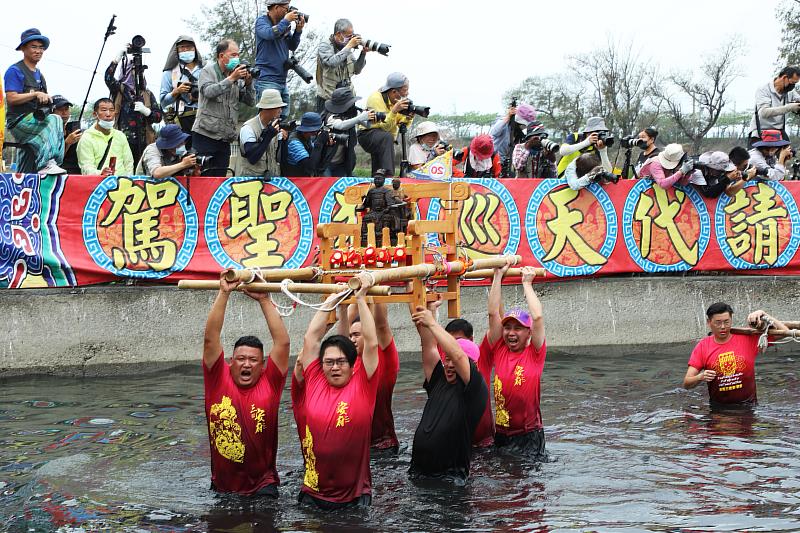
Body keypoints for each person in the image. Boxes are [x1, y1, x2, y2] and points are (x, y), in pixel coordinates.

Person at [292, 274, 379, 509]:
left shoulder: (363, 382)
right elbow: (311, 338)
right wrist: (331, 300)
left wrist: (360, 298)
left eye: (341, 362)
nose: (335, 367)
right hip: (312, 493)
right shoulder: (315, 379)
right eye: (329, 362)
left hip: (354, 498)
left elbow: (371, 343)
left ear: (353, 365)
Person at [202, 269, 290, 495]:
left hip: (263, 487)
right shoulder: (217, 378)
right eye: (241, 359)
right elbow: (211, 338)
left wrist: (264, 300)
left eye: (253, 360)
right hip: (222, 487)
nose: (247, 364)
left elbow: (282, 343)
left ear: (263, 366)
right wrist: (224, 293)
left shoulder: (270, 382)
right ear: (231, 363)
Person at [408, 303, 488, 483]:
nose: (450, 365)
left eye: (455, 361)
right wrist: (419, 302)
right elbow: (428, 346)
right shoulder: (439, 379)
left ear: (472, 365)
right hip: (419, 473)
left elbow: (459, 356)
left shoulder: (475, 389)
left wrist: (433, 323)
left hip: (450, 479)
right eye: (447, 359)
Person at [482, 263, 548, 460]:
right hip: (502, 434)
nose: (511, 333)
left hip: (529, 435)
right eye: (507, 327)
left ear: (528, 332)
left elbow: (537, 317)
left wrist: (527, 284)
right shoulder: (499, 349)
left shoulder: (534, 353)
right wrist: (497, 276)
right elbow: (494, 314)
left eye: (517, 328)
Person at [683, 302, 786, 408]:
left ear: (731, 319)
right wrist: (700, 377)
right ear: (709, 323)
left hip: (749, 407)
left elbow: (785, 332)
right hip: (718, 410)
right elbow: (687, 383)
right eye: (718, 323)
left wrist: (763, 314)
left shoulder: (748, 339)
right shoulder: (703, 346)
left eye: (726, 322)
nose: (723, 327)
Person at [339, 302, 400, 452]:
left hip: (382, 446)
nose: (352, 340)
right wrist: (344, 304)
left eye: (357, 335)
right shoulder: (352, 360)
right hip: (355, 444)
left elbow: (381, 325)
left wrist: (374, 282)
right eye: (351, 336)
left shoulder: (384, 357)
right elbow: (341, 339)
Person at [3, 28, 65, 174]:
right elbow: (11, 98)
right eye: (34, 47)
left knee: (26, 165)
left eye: (41, 48)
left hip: (37, 120)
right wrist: (35, 94)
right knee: (55, 119)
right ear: (23, 48)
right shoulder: (15, 70)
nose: (38, 51)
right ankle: (48, 163)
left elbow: (43, 100)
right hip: (18, 121)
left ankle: (34, 173)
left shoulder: (39, 75)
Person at [193, 39, 256, 174]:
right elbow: (208, 92)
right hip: (205, 134)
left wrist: (249, 84)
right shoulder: (208, 71)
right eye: (233, 55)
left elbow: (251, 102)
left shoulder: (236, 75)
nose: (237, 58)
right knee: (203, 177)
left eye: (238, 55)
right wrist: (231, 79)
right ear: (222, 56)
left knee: (220, 179)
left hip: (224, 138)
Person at [105, 45, 163, 165]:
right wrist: (117, 59)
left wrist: (146, 111)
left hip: (144, 141)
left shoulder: (147, 94)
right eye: (132, 71)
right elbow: (108, 77)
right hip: (123, 140)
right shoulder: (120, 90)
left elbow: (158, 117)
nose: (136, 75)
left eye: (139, 72)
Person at [444, 317, 494, 448]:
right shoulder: (445, 360)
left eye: (458, 341)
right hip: (457, 445)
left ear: (471, 340)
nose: (454, 348)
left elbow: (494, 317)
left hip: (485, 443)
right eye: (450, 342)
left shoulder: (483, 356)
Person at [254, 0, 304, 119]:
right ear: (276, 7)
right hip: (266, 79)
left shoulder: (284, 26)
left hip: (282, 80)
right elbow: (270, 34)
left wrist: (298, 31)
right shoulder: (262, 22)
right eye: (286, 9)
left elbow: (292, 46)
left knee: (283, 118)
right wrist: (286, 20)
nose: (288, 11)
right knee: (268, 118)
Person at [358, 72, 414, 175]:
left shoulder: (396, 102)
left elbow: (402, 124)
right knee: (386, 137)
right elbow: (385, 127)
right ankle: (389, 176)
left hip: (383, 138)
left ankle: (377, 181)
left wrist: (408, 117)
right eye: (405, 90)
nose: (407, 94)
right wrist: (394, 111)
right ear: (394, 91)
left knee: (378, 166)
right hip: (367, 134)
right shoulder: (375, 98)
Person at [315, 18, 368, 112]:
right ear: (339, 34)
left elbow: (357, 70)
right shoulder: (325, 45)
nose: (351, 39)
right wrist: (349, 46)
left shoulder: (347, 48)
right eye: (349, 36)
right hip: (328, 98)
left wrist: (363, 53)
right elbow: (331, 63)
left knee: (349, 125)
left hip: (347, 98)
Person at [322, 86, 376, 177]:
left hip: (341, 163)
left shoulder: (353, 114)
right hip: (325, 163)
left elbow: (367, 125)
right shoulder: (330, 116)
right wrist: (360, 117)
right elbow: (341, 125)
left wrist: (370, 118)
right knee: (326, 187)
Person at [76, 98, 134, 176]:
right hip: (99, 184)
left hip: (121, 183)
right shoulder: (87, 138)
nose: (108, 114)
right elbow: (86, 167)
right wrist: (100, 173)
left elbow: (129, 163)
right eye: (103, 110)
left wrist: (128, 180)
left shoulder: (120, 135)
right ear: (95, 114)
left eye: (111, 110)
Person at [160, 35, 204, 137]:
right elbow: (163, 101)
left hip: (204, 117)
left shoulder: (205, 69)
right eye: (182, 47)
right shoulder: (169, 72)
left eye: (189, 47)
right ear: (177, 51)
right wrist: (176, 92)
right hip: (181, 118)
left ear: (194, 49)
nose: (186, 50)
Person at [236, 89, 285, 178]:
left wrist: (284, 140)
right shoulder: (248, 128)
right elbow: (252, 158)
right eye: (278, 107)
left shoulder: (274, 127)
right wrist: (268, 136)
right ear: (267, 108)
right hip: (250, 183)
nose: (280, 111)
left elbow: (280, 159)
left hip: (271, 182)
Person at [748, 66, 800, 143]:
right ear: (784, 77)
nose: (793, 86)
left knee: (788, 153)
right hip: (761, 133)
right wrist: (789, 107)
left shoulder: (790, 92)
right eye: (792, 83)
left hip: (779, 133)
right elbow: (764, 112)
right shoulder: (764, 89)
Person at [281, 112, 333, 177]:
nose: (315, 133)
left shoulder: (306, 137)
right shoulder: (294, 142)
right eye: (313, 131)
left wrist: (326, 146)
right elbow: (309, 167)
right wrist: (319, 142)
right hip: (293, 180)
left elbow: (316, 160)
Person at [489, 102, 537, 169]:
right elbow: (494, 132)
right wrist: (508, 116)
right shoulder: (503, 123)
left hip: (510, 163)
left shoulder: (521, 132)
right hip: (495, 162)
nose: (524, 127)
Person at [637, 143, 702, 190]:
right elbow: (662, 184)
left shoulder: (673, 165)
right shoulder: (655, 164)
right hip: (641, 190)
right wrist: (681, 171)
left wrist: (688, 173)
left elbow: (682, 184)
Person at [52, 95, 81, 174]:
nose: (64, 113)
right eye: (60, 110)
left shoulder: (72, 130)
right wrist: (67, 143)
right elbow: (53, 161)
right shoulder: (49, 133)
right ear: (52, 112)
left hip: (77, 175)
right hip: (59, 176)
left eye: (66, 109)